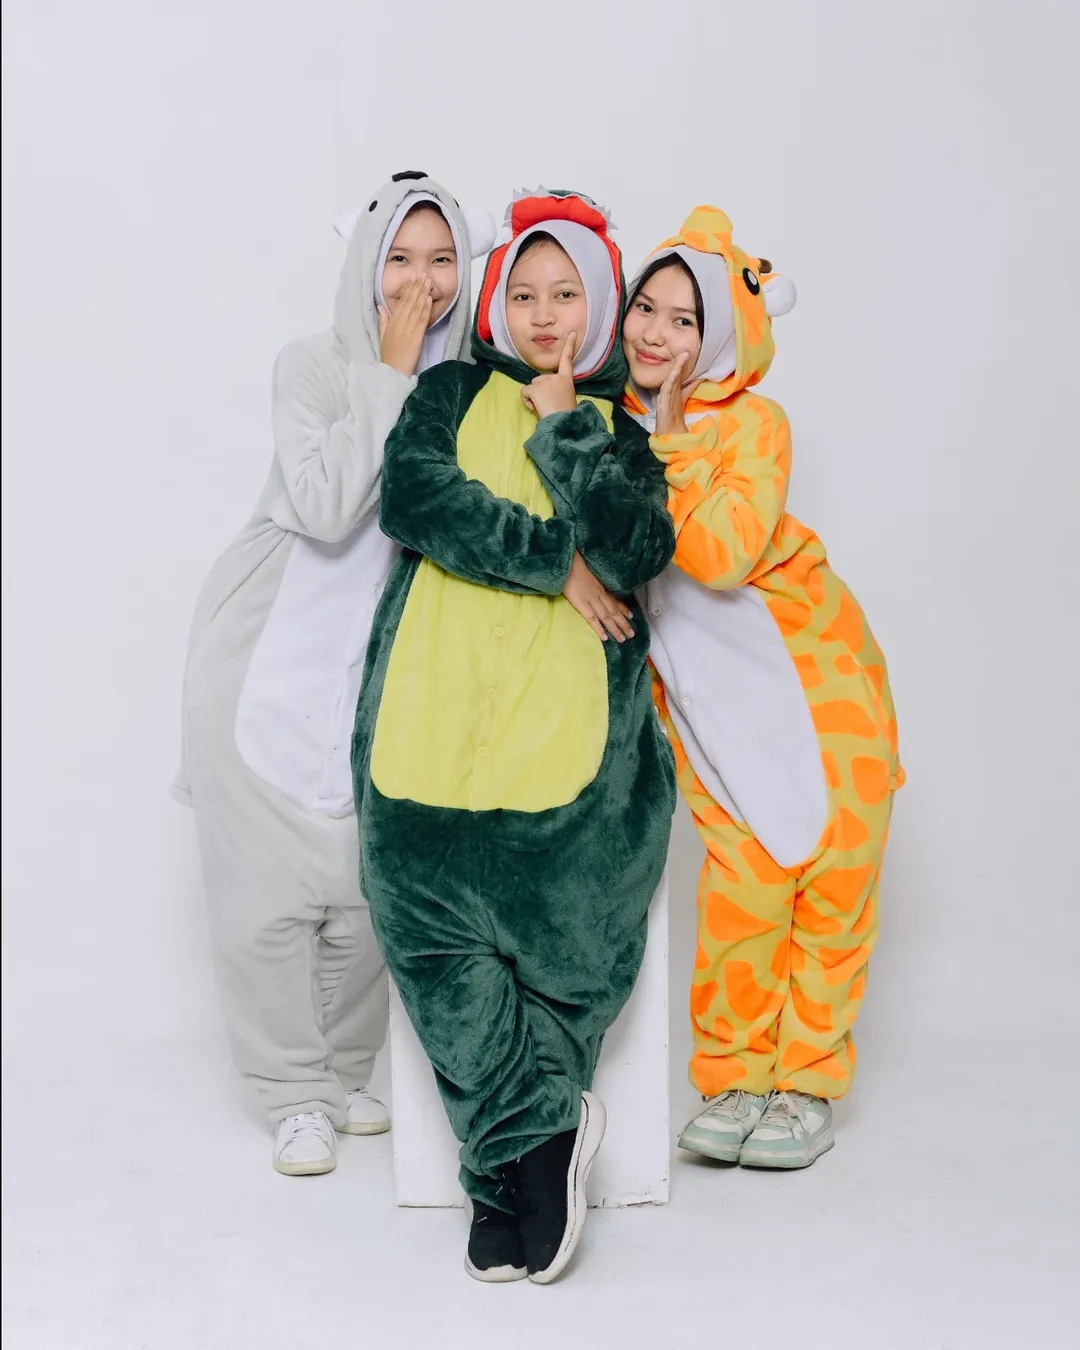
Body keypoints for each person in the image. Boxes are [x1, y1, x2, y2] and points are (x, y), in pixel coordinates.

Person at [351, 189, 676, 1282]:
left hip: (567, 752)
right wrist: (556, 563)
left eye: (567, 293)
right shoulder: (447, 390)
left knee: (574, 958)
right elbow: (414, 497)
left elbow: (634, 550)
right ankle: (529, 1154)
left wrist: (565, 428)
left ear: (599, 306)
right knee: (433, 953)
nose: (544, 314)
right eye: (525, 293)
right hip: (427, 735)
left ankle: (507, 1174)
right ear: (496, 303)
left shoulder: (619, 432)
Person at [174, 171, 494, 1176]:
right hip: (266, 660)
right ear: (365, 265)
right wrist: (388, 372)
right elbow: (324, 506)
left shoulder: (470, 390)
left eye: (442, 260)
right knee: (263, 907)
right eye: (399, 258)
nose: (420, 282)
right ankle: (289, 1094)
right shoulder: (312, 366)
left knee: (367, 896)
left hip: (378, 683)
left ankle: (344, 1071)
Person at [623, 205, 903, 1170]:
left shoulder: (754, 423)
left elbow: (725, 552)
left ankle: (806, 1084)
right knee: (744, 887)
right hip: (709, 698)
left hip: (817, 676)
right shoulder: (605, 424)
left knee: (833, 877)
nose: (657, 334)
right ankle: (735, 1079)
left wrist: (672, 443)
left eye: (685, 319)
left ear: (724, 336)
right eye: (646, 308)